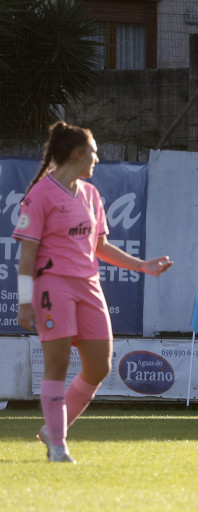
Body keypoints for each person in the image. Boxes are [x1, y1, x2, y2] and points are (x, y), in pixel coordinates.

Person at [14, 121, 173, 463]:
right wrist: (25, 303)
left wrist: (142, 265)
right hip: (52, 286)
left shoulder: (90, 194)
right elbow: (26, 256)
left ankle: (52, 429)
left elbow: (100, 246)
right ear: (77, 153)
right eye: (94, 152)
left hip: (88, 286)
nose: (97, 159)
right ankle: (58, 445)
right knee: (56, 364)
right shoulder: (40, 194)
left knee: (99, 366)